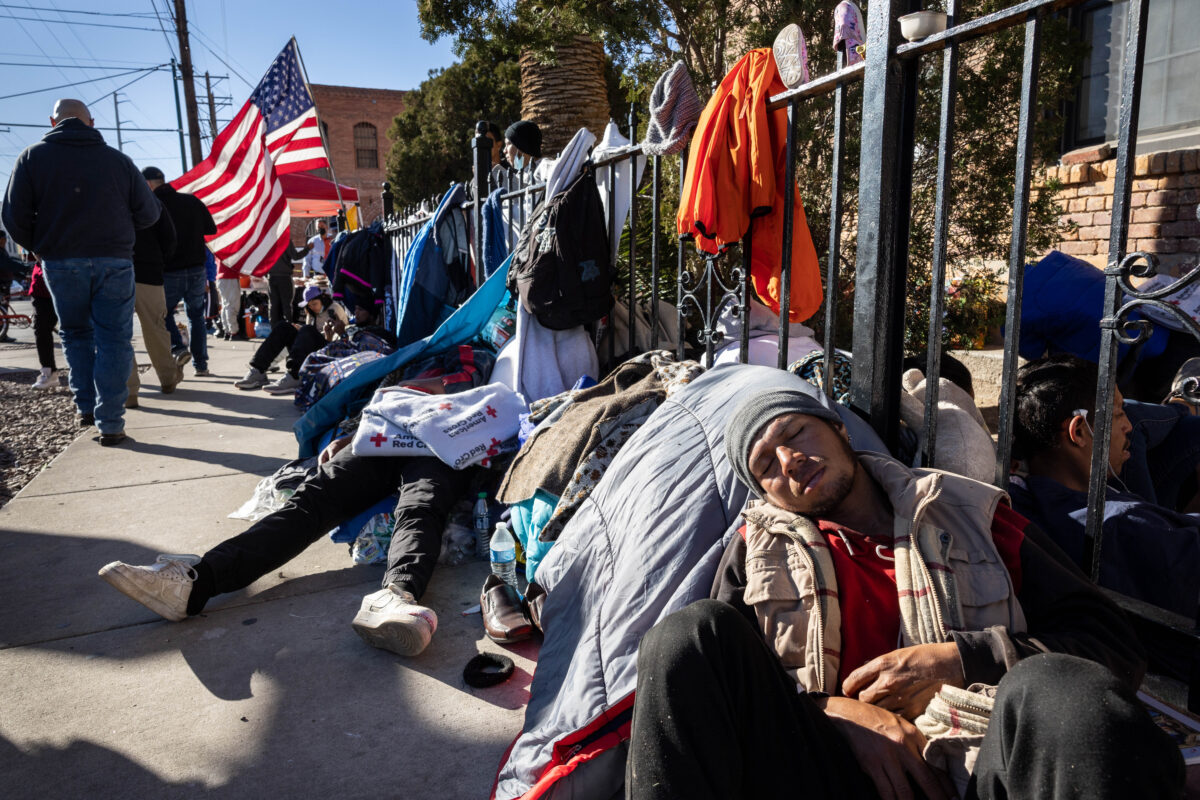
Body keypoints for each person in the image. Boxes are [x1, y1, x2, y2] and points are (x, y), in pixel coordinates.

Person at [625, 388, 1183, 800]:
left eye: (795, 434)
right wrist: (829, 711)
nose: (790, 461)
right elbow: (730, 690)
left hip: (974, 766)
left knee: (1063, 688)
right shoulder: (756, 553)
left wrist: (962, 659)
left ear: (840, 431)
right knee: (684, 636)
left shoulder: (971, 515)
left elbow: (1112, 646)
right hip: (826, 776)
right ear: (768, 496)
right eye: (766, 465)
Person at [99, 342, 501, 657]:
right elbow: (386, 402)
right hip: (385, 437)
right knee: (312, 500)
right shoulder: (413, 360)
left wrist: (406, 395)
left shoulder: (475, 355)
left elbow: (462, 389)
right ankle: (196, 584)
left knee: (421, 505)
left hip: (444, 442)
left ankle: (396, 597)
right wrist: (353, 432)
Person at [2, 98, 159, 446]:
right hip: (114, 259)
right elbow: (149, 213)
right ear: (91, 122)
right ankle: (111, 423)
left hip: (60, 260)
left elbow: (12, 217)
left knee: (75, 334)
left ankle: (86, 407)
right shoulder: (118, 161)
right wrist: (119, 229)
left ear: (52, 121)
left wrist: (39, 246)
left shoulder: (31, 158)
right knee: (114, 339)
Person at [1009, 354, 1200, 617]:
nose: (1128, 425)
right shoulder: (1126, 523)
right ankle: (1184, 405)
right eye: (1119, 414)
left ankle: (1182, 405)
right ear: (1078, 432)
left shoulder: (1014, 497)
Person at [144, 166, 216, 378]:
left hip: (170, 270)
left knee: (163, 314)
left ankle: (178, 347)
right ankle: (201, 365)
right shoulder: (191, 201)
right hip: (197, 268)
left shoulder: (153, 205)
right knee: (196, 317)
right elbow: (211, 229)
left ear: (148, 184)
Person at [233, 285, 348, 394]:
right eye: (309, 305)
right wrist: (300, 329)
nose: (312, 307)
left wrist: (317, 332)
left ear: (322, 299)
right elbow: (311, 333)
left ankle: (295, 376)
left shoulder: (334, 308)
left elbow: (342, 335)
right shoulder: (311, 312)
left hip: (330, 349)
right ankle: (258, 370)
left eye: (315, 304)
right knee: (283, 327)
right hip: (312, 348)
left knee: (306, 330)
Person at [126, 179, 181, 406]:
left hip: (115, 273)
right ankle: (168, 378)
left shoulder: (108, 202)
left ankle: (129, 390)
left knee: (119, 334)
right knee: (156, 327)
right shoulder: (152, 202)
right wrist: (159, 262)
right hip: (149, 273)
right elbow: (169, 238)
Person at [28, 261, 60, 388]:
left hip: (71, 280)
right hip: (42, 286)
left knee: (78, 330)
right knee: (41, 329)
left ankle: (86, 375)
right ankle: (48, 371)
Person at [267, 238, 309, 329]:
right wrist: (308, 248)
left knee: (274, 305)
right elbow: (295, 256)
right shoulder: (285, 239)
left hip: (271, 276)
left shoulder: (268, 239)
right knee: (286, 304)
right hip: (284, 276)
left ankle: (274, 328)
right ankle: (288, 327)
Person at [0, 230, 25, 342]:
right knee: (3, 311)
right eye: (3, 240)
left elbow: (10, 267)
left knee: (3, 310)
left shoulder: (3, 251)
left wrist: (23, 275)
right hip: (1, 284)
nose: (5, 242)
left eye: (5, 240)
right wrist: (25, 268)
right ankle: (3, 335)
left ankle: (3, 334)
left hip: (5, 283)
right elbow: (8, 264)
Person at [214, 256, 244, 341]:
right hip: (229, 277)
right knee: (232, 306)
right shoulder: (229, 251)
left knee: (225, 306)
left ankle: (227, 331)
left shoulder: (218, 250)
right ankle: (233, 332)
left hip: (221, 278)